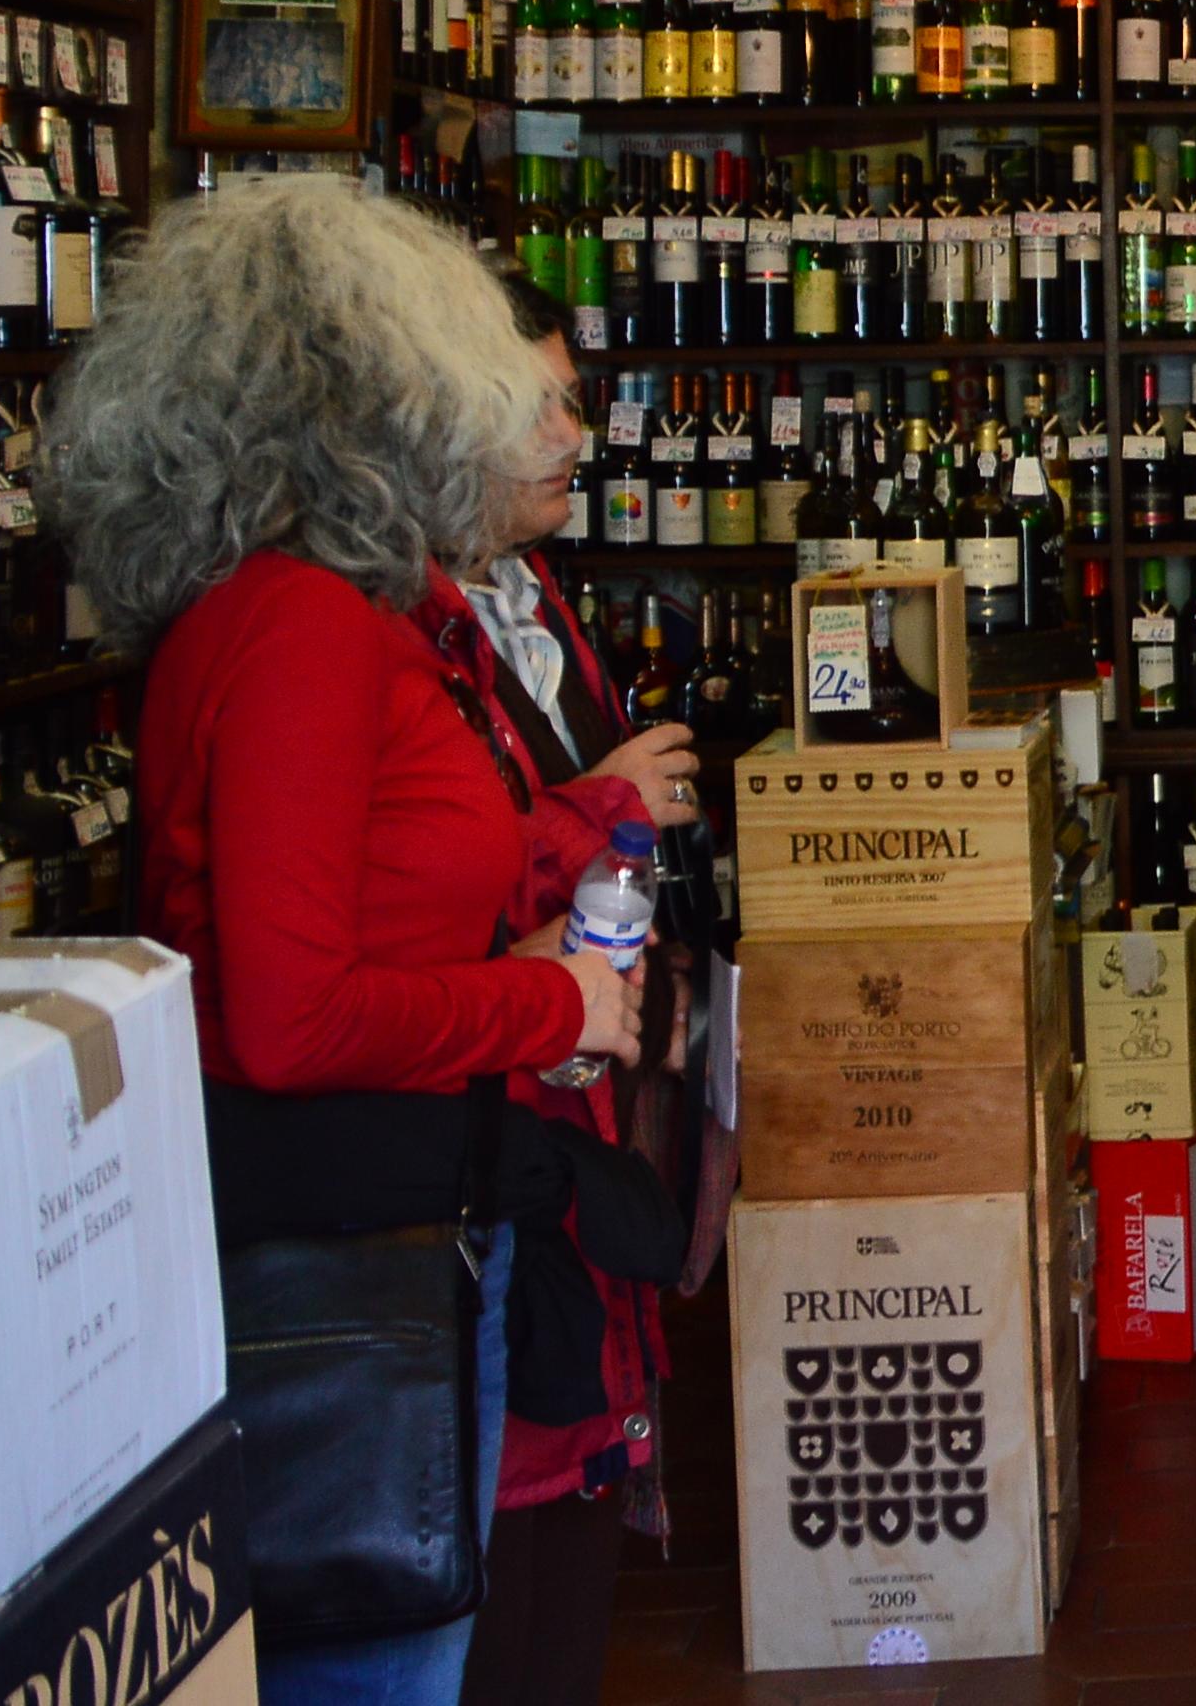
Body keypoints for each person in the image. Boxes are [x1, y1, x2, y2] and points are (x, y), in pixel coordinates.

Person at [45, 176, 670, 1706]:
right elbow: (287, 1019)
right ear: (384, 402)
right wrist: (548, 1006)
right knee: (385, 1666)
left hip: (383, 1223)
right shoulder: (304, 629)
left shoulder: (304, 610)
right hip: (341, 1263)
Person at [455, 264, 695, 1706]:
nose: (577, 434)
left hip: (572, 1063)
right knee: (517, 1464)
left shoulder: (528, 592)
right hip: (499, 1098)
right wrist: (596, 802)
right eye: (547, 401)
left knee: (577, 1432)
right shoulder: (388, 633)